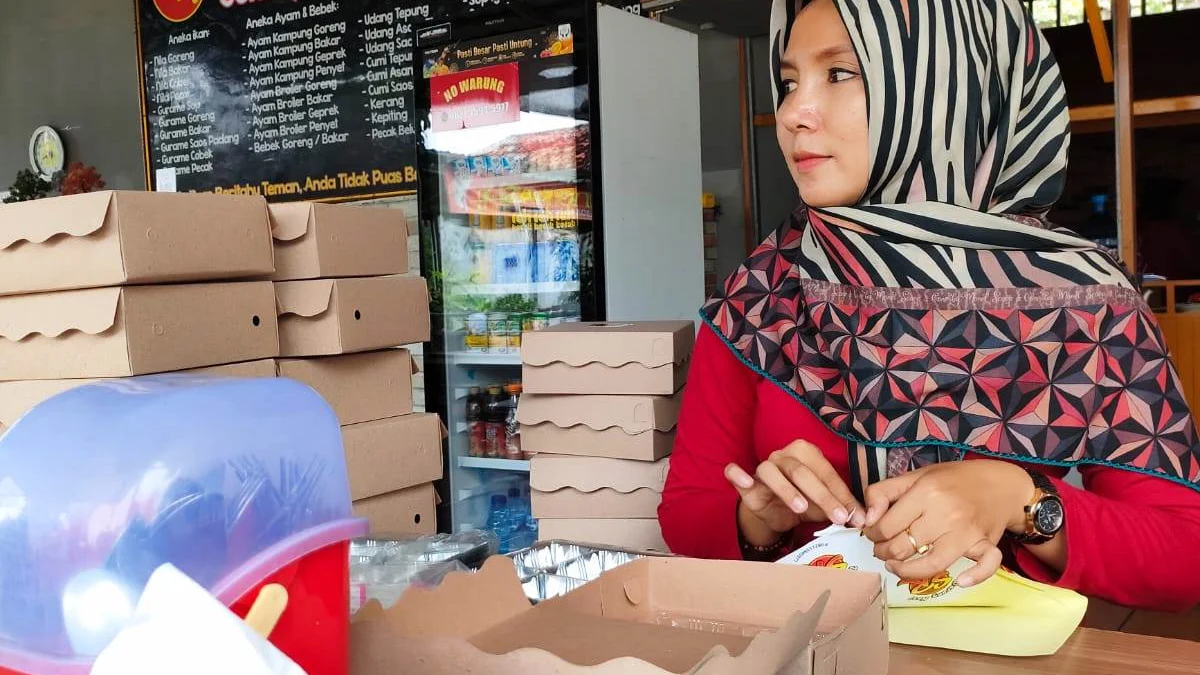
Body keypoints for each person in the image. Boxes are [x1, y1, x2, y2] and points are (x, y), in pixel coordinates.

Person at [659, 0, 1200, 612]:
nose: (791, 114)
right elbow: (687, 512)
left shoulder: (1083, 303)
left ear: (948, 87)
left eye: (840, 73)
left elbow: (1186, 553)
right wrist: (759, 517)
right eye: (788, 82)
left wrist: (1020, 500)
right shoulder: (764, 292)